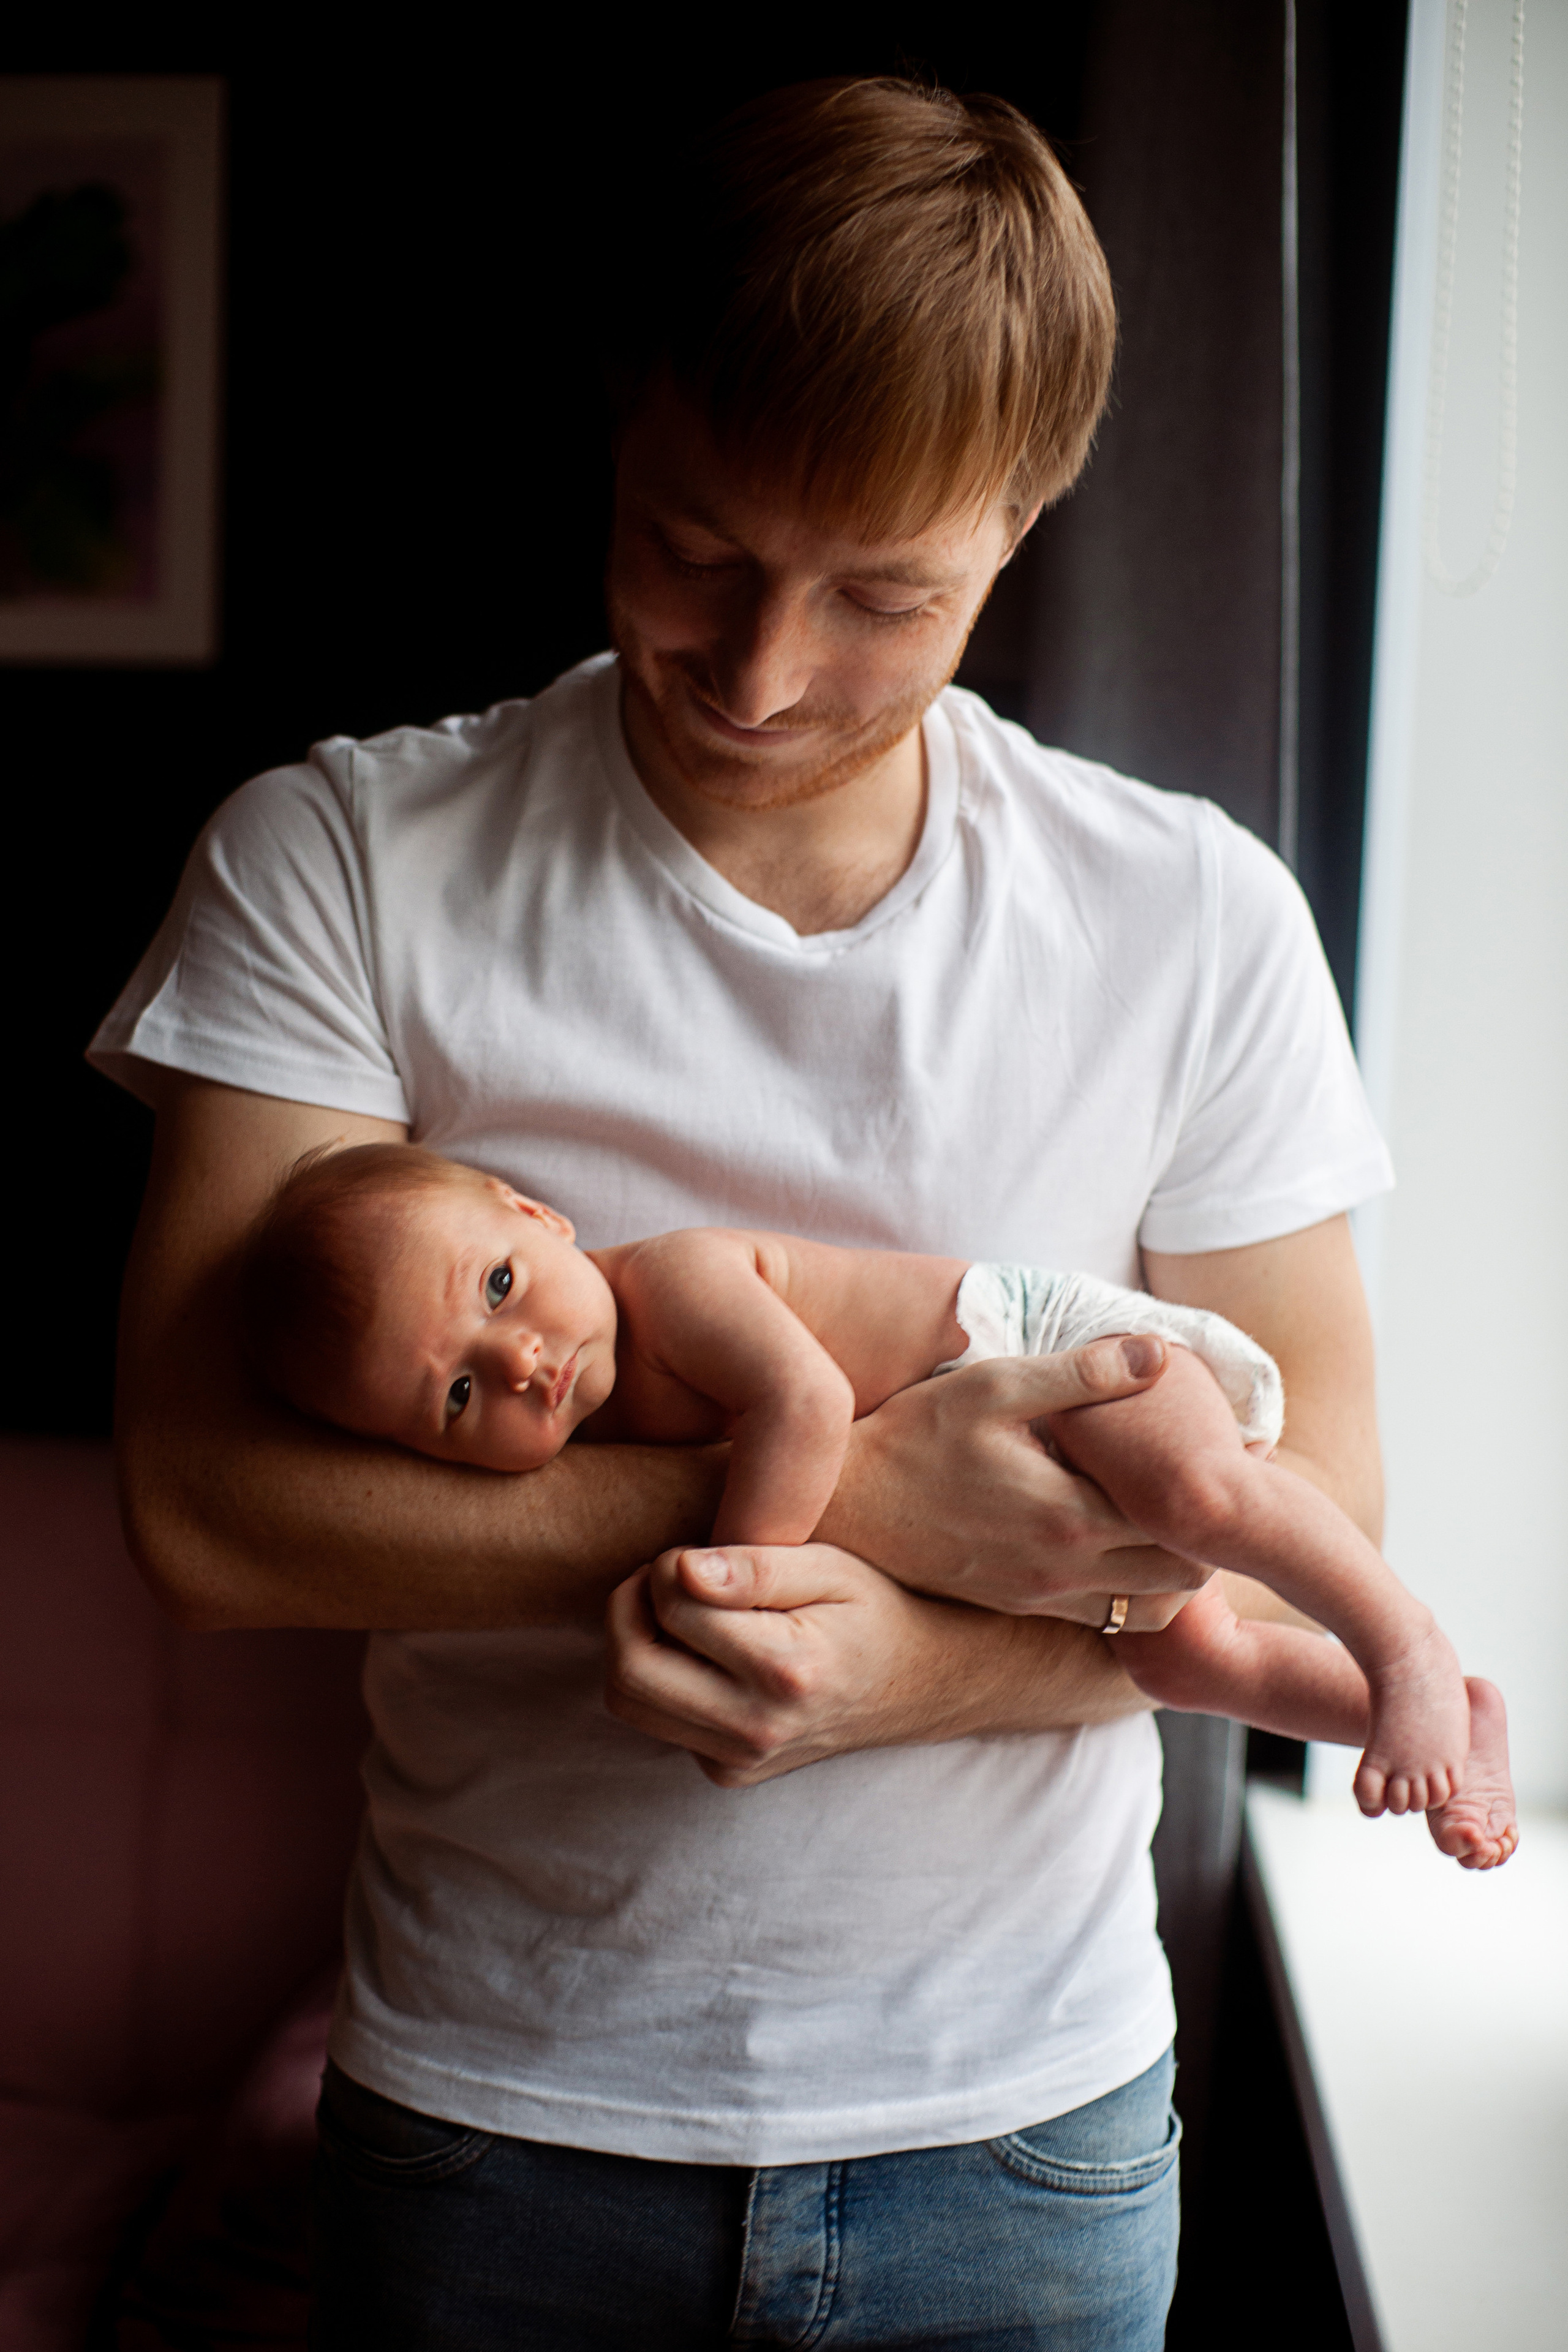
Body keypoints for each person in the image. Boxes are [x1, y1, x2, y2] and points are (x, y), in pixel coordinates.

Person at [92, 77, 1400, 2350]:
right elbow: (212, 1509)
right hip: (500, 2121)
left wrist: (901, 1669)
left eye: (883, 593)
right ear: (624, 424)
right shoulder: (343, 861)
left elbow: (1336, 1499)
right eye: (694, 543)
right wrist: (795, 1502)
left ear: (1023, 518)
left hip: (1024, 2137)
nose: (765, 668)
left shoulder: (1194, 919)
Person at [239, 1140, 1518, 1870]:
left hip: (1044, 1351)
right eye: (459, 1397)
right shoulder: (592, 1399)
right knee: (1188, 1657)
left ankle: (1406, 1650)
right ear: (430, 1460)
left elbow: (799, 1403)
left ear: (537, 1213)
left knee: (1197, 1495)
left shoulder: (675, 1282)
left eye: (503, 1284)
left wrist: (739, 1577)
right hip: (1021, 1444)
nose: (519, 1359)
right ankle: (1447, 1730)